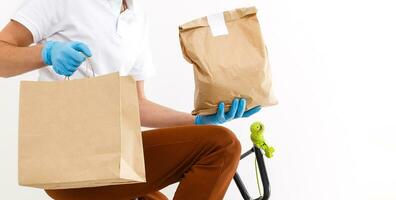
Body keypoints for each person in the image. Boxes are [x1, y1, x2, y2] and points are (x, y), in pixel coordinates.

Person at [0, 0, 261, 199]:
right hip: (67, 161)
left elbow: (136, 105)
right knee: (221, 145)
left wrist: (198, 120)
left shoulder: (137, 16)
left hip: (112, 154)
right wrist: (46, 53)